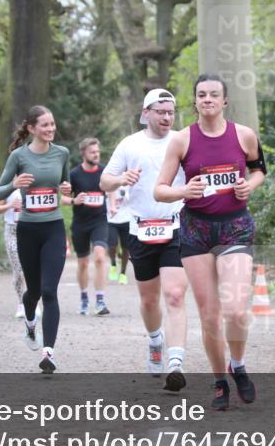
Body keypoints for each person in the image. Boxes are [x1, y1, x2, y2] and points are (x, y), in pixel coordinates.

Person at [154, 73, 266, 411]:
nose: (207, 100)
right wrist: (183, 190)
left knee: (236, 310)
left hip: (235, 227)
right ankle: (220, 381)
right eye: (201, 94)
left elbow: (259, 169)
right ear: (195, 101)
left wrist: (250, 186)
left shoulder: (244, 135)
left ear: (224, 100)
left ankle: (238, 365)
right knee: (210, 315)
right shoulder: (182, 140)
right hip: (196, 231)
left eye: (214, 94)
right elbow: (159, 190)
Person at [101, 88, 190, 391]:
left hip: (176, 226)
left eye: (171, 112)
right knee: (149, 299)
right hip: (140, 229)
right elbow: (104, 181)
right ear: (146, 113)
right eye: (161, 112)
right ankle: (155, 339)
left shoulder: (182, 141)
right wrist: (121, 179)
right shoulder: (130, 144)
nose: (167, 117)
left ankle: (175, 363)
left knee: (175, 295)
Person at [0, 105, 72, 373]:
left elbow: (65, 185)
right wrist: (14, 185)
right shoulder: (18, 156)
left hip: (54, 229)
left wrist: (67, 188)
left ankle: (48, 353)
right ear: (31, 128)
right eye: (45, 125)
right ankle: (30, 323)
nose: (51, 129)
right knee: (34, 292)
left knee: (49, 291)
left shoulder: (62, 153)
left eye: (52, 124)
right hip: (28, 230)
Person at [66, 137, 111, 316]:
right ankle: (84, 298)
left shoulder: (104, 172)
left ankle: (100, 301)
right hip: (80, 223)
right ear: (83, 153)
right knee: (83, 263)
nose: (96, 155)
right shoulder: (74, 174)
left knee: (100, 257)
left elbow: (112, 189)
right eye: (92, 152)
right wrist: (74, 200)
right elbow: (62, 198)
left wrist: (114, 204)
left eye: (98, 151)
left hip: (100, 221)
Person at [0, 189, 27, 318]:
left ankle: (32, 302)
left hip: (29, 229)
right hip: (12, 231)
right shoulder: (7, 187)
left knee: (31, 270)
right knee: (18, 271)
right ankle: (21, 303)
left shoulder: (32, 183)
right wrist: (10, 205)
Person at [106, 185, 131, 284]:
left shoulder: (129, 183)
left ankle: (123, 274)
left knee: (126, 248)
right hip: (111, 219)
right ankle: (113, 264)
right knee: (112, 245)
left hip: (127, 219)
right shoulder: (109, 182)